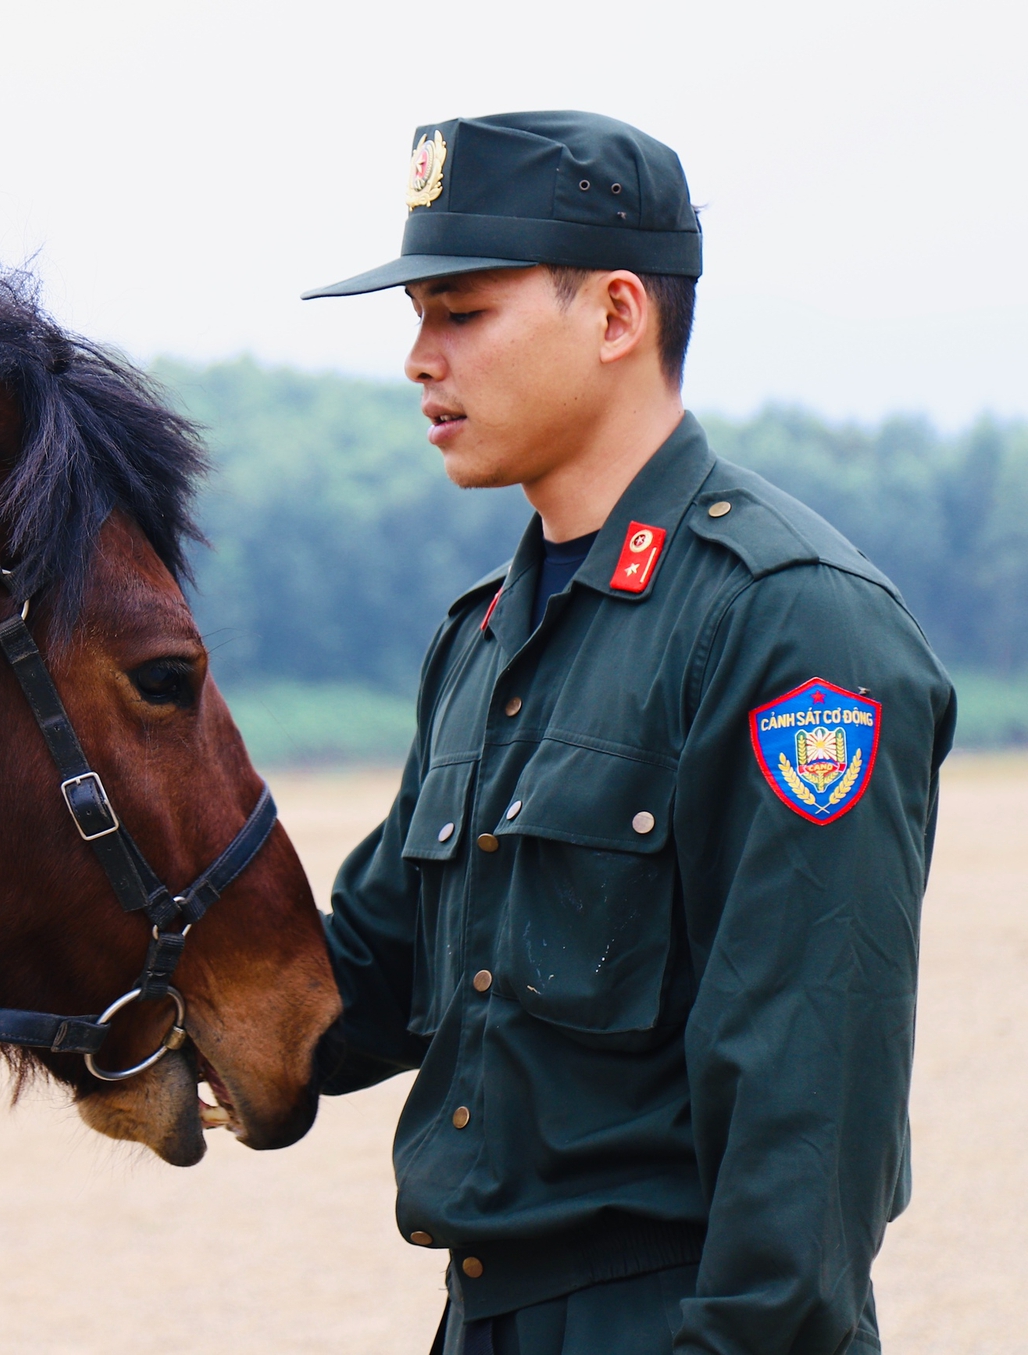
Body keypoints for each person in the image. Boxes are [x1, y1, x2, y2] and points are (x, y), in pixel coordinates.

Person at [302, 111, 956, 1355]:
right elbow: (363, 980)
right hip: (477, 1315)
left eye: (458, 311)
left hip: (671, 1322)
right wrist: (104, 975)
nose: (415, 359)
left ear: (613, 316)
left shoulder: (791, 631)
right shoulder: (489, 634)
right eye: (416, 317)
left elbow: (806, 1116)